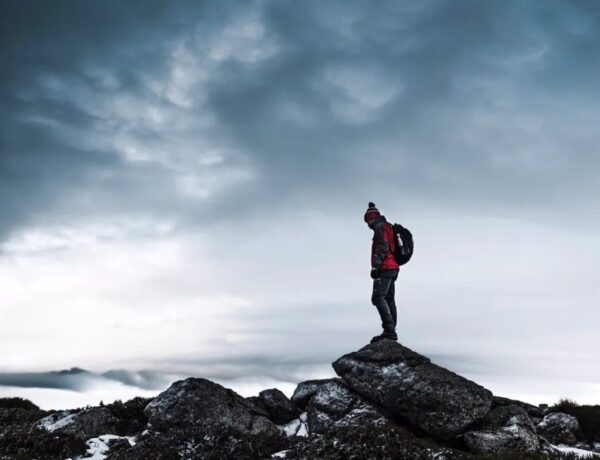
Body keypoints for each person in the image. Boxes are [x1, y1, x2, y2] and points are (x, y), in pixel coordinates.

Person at [364, 202, 399, 343]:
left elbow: (383, 247)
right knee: (389, 298)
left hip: (385, 267)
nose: (367, 224)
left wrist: (375, 266)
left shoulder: (380, 228)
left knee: (378, 298)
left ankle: (389, 330)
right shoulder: (388, 226)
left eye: (368, 220)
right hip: (394, 267)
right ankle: (391, 330)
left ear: (372, 218)